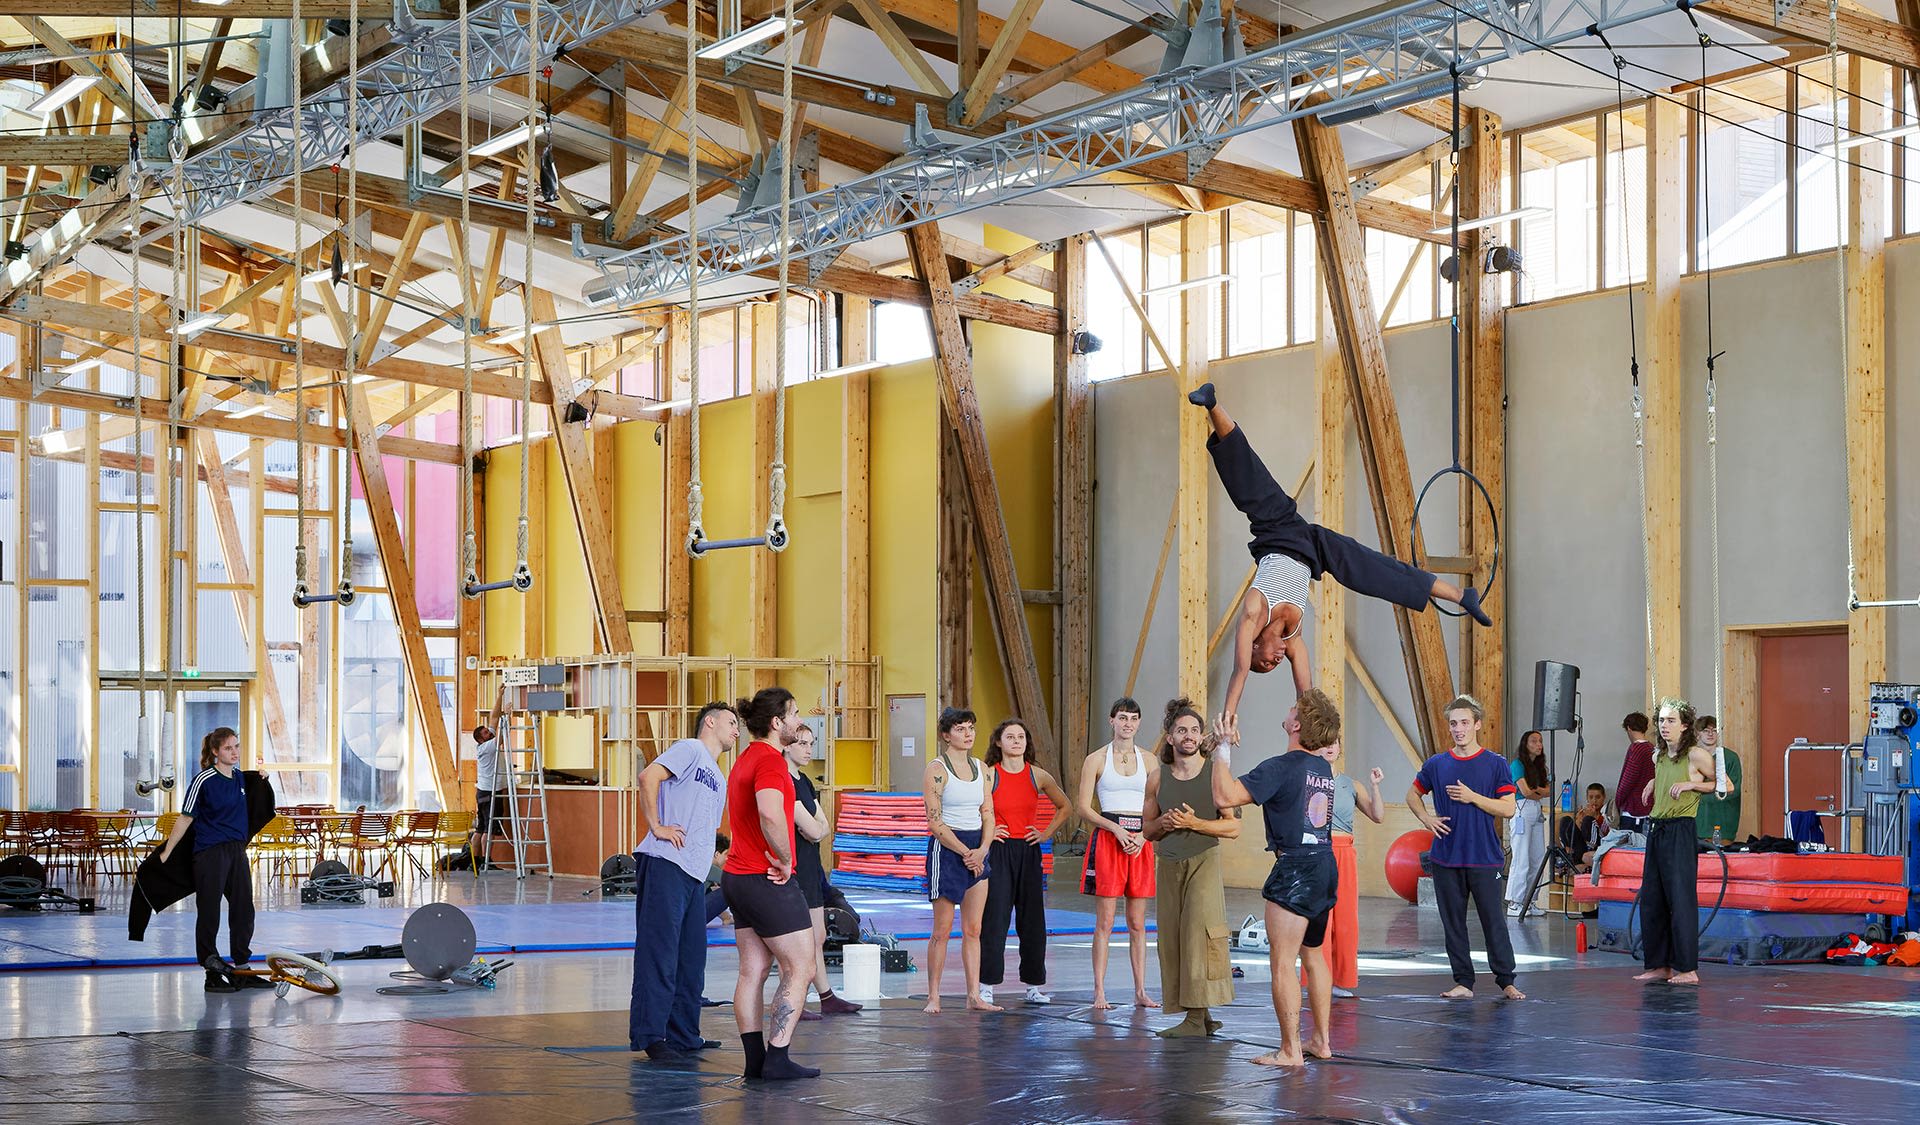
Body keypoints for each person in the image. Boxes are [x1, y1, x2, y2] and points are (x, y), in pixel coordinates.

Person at [1186, 383, 1491, 721]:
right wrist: (1311, 730)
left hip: (1278, 531)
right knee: (1375, 573)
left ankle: (1212, 404)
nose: (1273, 661)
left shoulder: (1254, 613)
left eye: (1265, 660)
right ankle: (1462, 595)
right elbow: (1306, 694)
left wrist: (1228, 716)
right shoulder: (1293, 636)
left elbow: (1239, 670)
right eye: (1273, 666)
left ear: (1254, 644)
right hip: (1317, 551)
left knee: (1248, 482)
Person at [1208, 690, 1342, 1066]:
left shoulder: (1282, 766)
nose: (1288, 709)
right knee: (1313, 956)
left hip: (1296, 869)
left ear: (1297, 724)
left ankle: (1290, 1050)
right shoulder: (1322, 769)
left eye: (1293, 709)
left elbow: (1224, 796)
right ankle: (1322, 1041)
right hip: (1324, 865)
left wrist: (1222, 747)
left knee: (1282, 962)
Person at [721, 687, 820, 1080]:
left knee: (754, 969)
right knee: (802, 966)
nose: (799, 721)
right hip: (765, 878)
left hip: (737, 878)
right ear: (777, 723)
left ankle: (755, 1063)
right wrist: (783, 858)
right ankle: (777, 1058)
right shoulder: (770, 761)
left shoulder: (744, 759)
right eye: (794, 714)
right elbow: (769, 813)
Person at [631, 701, 735, 1058]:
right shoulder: (691, 749)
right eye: (731, 722)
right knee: (659, 953)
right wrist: (656, 826)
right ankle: (652, 1037)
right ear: (709, 722)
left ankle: (684, 1034)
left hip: (693, 875)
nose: (737, 730)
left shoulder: (719, 776)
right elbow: (649, 776)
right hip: (665, 863)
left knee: (692, 957)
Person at [1406, 695, 1525, 1001]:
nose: (1458, 729)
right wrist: (1426, 818)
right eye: (1453, 724)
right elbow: (1412, 794)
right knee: (1453, 923)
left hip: (1484, 858)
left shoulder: (1495, 764)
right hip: (1446, 857)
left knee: (1493, 921)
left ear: (1477, 725)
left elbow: (1509, 808)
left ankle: (1506, 980)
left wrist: (1473, 797)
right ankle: (1463, 982)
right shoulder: (1437, 764)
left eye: (1464, 723)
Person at [1141, 697, 1239, 1037]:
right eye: (1182, 730)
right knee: (1173, 938)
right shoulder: (1157, 778)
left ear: (1200, 737)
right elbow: (1147, 830)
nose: (1189, 736)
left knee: (1200, 934)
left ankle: (1195, 1021)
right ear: (1170, 737)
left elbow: (1233, 827)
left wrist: (1196, 823)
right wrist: (1165, 823)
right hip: (1168, 863)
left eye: (1195, 730)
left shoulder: (1216, 773)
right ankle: (1203, 1014)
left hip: (1203, 860)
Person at [154, 727, 274, 992]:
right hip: (209, 853)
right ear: (215, 752)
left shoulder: (241, 779)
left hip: (236, 851)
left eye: (237, 746)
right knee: (209, 911)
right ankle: (211, 971)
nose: (235, 752)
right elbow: (186, 817)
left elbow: (255, 787)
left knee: (244, 909)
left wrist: (262, 776)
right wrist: (168, 850)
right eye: (229, 748)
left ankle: (242, 968)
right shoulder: (203, 780)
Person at [1074, 697, 1159, 1010]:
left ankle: (1140, 991)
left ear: (1138, 723)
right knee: (1105, 923)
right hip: (1110, 838)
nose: (1128, 724)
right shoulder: (1096, 759)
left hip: (1139, 840)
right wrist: (1116, 830)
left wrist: (1142, 834)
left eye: (1133, 718)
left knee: (1138, 923)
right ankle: (1099, 991)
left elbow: (1156, 806)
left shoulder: (1150, 761)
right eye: (1122, 718)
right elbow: (1083, 807)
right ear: (1112, 721)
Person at [979, 717, 1070, 1008]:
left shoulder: (1038, 776)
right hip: (1000, 850)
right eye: (1010, 737)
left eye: (1021, 737)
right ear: (998, 742)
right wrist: (989, 831)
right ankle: (987, 986)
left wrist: (1045, 833)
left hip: (1029, 850)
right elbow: (972, 806)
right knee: (995, 919)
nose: (1016, 741)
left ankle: (1033, 987)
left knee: (1032, 921)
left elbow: (1065, 806)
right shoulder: (989, 776)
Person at [921, 706, 999, 1014]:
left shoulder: (983, 769)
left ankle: (973, 995)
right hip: (949, 848)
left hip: (977, 847)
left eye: (971, 728)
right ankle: (934, 996)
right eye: (960, 729)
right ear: (946, 735)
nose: (968, 734)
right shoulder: (937, 770)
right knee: (942, 929)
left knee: (974, 928)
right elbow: (935, 822)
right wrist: (966, 852)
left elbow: (989, 813)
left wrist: (982, 849)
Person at [784, 723, 862, 1019]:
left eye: (811, 743)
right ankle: (794, 998)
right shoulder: (784, 781)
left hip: (812, 867)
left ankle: (826, 996)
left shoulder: (804, 780)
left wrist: (815, 829)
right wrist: (815, 829)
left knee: (816, 936)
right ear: (787, 746)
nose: (808, 749)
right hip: (792, 867)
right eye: (802, 743)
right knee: (797, 940)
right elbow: (812, 825)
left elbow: (822, 827)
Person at [1636, 698, 1714, 987]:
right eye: (1661, 721)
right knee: (1652, 898)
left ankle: (1687, 968)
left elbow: (1724, 785)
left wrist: (1693, 784)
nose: (1664, 726)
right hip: (1657, 829)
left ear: (1684, 726)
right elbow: (1665, 774)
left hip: (1681, 829)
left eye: (1670, 721)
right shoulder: (1657, 756)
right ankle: (1659, 964)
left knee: (1681, 899)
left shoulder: (1696, 755)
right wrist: (1653, 783)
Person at [1311, 726, 1384, 999]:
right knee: (1319, 918)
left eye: (1334, 742)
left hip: (1345, 852)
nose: (1330, 747)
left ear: (1340, 747)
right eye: (1324, 742)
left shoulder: (1351, 785)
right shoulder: (1309, 781)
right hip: (1318, 851)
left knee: (1345, 919)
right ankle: (1318, 977)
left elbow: (1378, 816)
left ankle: (1342, 978)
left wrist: (1375, 787)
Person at [1506, 729, 1552, 917]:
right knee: (1521, 858)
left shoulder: (1541, 768)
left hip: (1535, 809)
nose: (1538, 745)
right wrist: (1539, 791)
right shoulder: (1517, 764)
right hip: (1521, 810)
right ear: (1525, 744)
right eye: (1534, 741)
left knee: (1538, 858)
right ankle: (1514, 901)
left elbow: (1548, 791)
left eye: (1540, 741)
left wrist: (1537, 790)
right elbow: (1524, 791)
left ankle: (1530, 900)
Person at [468, 682, 509, 866]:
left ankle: (474, 861)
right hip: (490, 793)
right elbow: (501, 735)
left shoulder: (486, 742)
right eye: (486, 732)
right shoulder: (488, 747)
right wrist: (507, 717)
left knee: (480, 828)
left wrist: (499, 695)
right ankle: (486, 861)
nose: (489, 732)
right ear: (480, 739)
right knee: (488, 830)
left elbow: (493, 718)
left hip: (483, 792)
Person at [1694, 715, 1742, 845]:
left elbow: (1734, 790)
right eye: (1705, 730)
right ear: (1698, 734)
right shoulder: (1692, 757)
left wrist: (1699, 799)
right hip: (1695, 826)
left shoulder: (1730, 758)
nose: (1710, 733)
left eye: (1714, 730)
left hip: (1722, 825)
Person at [1614, 712, 1655, 835]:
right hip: (1649, 808)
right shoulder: (1652, 748)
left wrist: (1617, 801)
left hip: (1633, 811)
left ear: (1628, 728)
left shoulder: (1636, 749)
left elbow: (1628, 780)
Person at [1559, 783, 1611, 872]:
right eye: (1591, 797)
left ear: (1604, 797)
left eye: (1598, 797)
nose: (1594, 801)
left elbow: (1607, 836)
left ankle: (1576, 860)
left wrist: (1594, 818)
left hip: (1596, 847)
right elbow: (1578, 834)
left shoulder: (1607, 813)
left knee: (1588, 820)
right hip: (1581, 847)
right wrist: (1578, 821)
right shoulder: (1584, 812)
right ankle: (1568, 852)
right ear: (1587, 798)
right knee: (1566, 820)